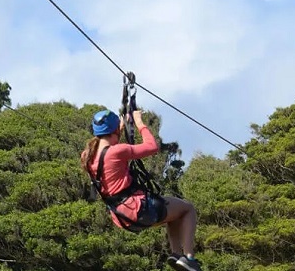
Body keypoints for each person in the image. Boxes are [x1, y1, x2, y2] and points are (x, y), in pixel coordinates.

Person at [81, 109, 203, 271]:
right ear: (115, 130)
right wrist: (139, 121)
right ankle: (189, 258)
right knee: (187, 209)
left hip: (121, 217)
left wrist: (120, 127)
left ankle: (176, 255)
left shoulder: (88, 156)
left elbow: (108, 150)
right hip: (138, 209)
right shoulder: (117, 151)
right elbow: (152, 147)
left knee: (174, 213)